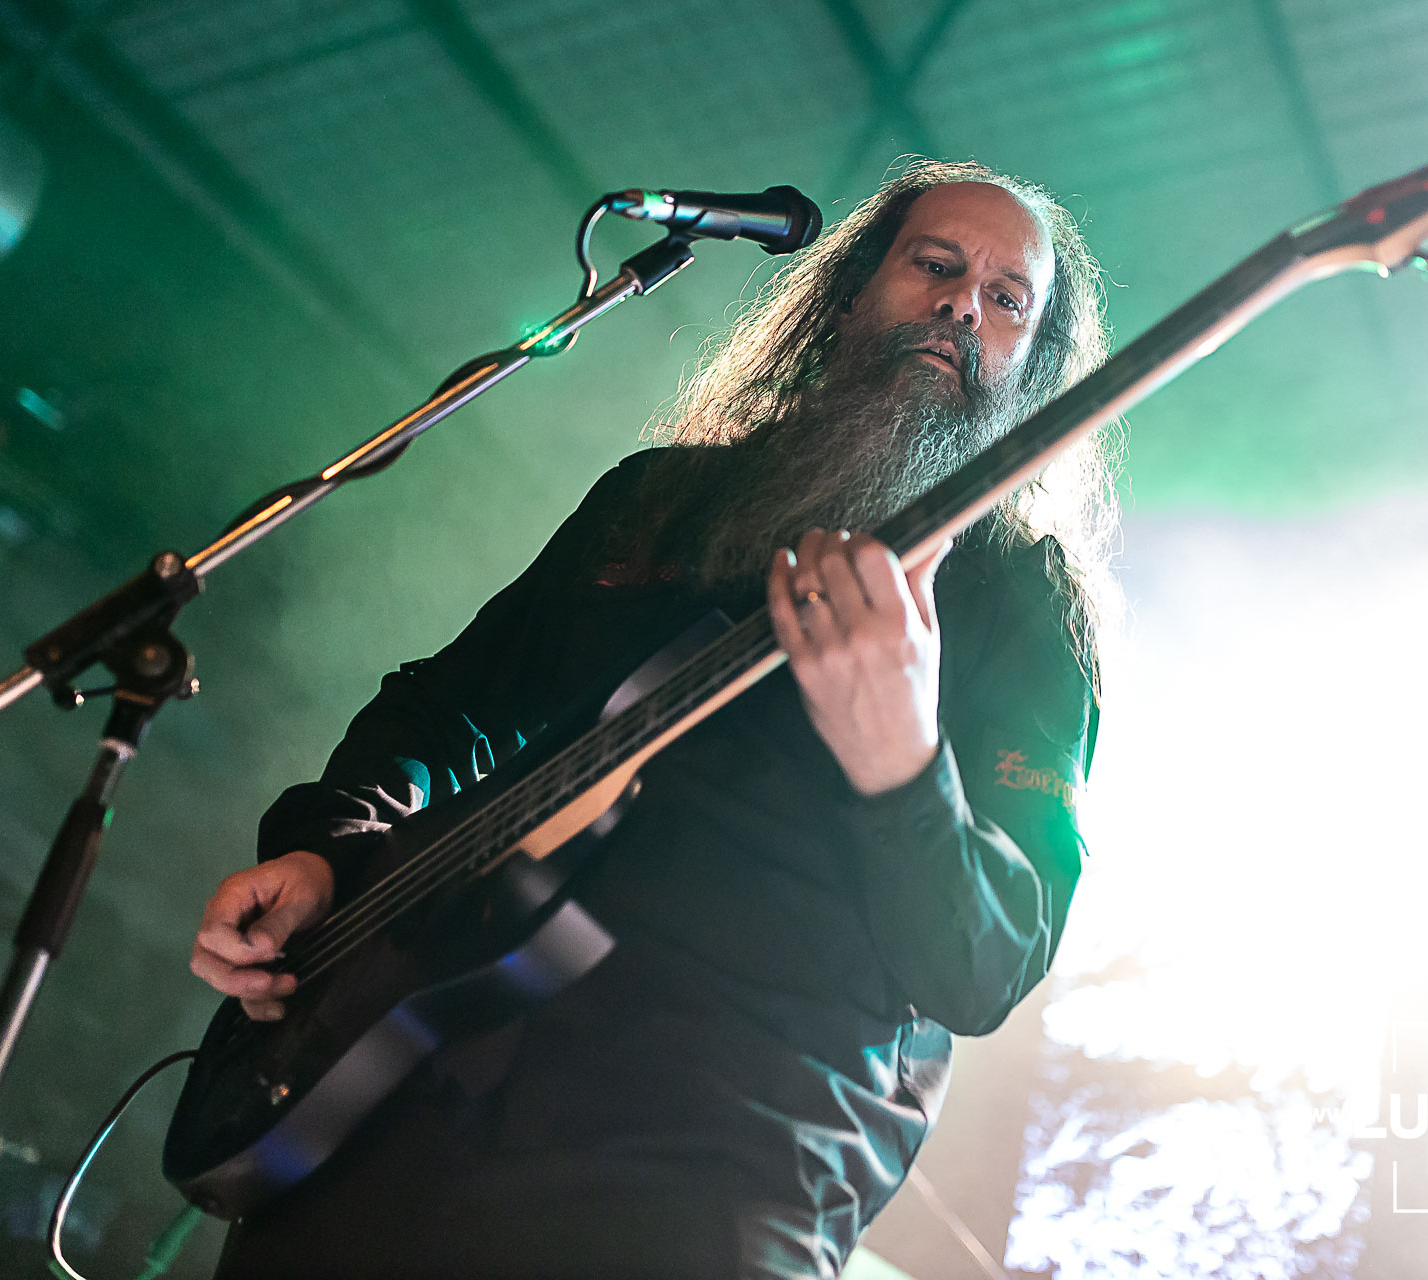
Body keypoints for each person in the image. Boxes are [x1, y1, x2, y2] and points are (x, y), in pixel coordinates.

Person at [187, 159, 1118, 1280]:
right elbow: (447, 706)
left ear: (1030, 370)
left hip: (712, 1160)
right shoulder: (660, 498)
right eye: (935, 265)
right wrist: (327, 848)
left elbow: (987, 966)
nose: (964, 304)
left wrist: (904, 764)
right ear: (849, 295)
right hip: (410, 1088)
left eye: (1007, 298)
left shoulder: (1024, 610)